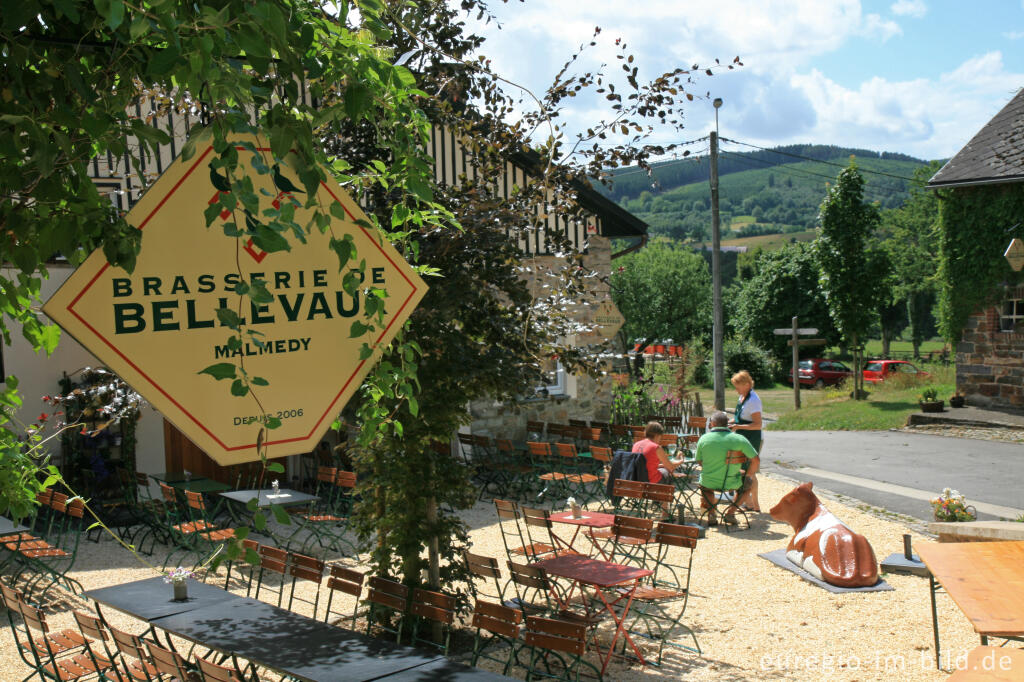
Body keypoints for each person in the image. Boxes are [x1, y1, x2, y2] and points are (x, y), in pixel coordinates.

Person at [695, 411, 759, 525]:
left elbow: (699, 461)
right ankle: (730, 513)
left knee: (705, 487)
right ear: (726, 424)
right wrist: (748, 474)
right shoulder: (739, 439)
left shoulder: (704, 439)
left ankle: (711, 513)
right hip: (732, 482)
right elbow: (756, 460)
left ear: (713, 424)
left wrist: (714, 468)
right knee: (748, 483)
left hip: (709, 481)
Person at [728, 370, 763, 512]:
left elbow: (758, 424)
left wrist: (737, 426)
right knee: (743, 470)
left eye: (737, 386)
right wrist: (730, 422)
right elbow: (741, 418)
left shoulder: (753, 400)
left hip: (751, 438)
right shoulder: (742, 397)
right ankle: (749, 503)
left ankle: (754, 504)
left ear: (747, 384)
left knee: (750, 471)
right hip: (741, 438)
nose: (736, 389)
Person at [631, 421, 679, 517]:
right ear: (657, 435)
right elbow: (671, 466)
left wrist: (662, 465)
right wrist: (680, 460)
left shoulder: (636, 444)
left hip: (636, 480)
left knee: (664, 471)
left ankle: (658, 501)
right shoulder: (656, 447)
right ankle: (665, 512)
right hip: (650, 482)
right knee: (668, 473)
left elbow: (645, 464)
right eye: (660, 437)